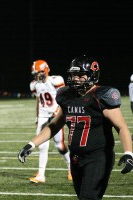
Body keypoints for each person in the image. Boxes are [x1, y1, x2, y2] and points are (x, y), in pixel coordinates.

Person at [18, 55, 133, 199]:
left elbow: (121, 127)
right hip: (76, 158)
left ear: (92, 75)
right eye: (73, 75)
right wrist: (31, 144)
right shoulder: (66, 96)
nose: (76, 79)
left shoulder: (101, 96)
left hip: (97, 158)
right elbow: (54, 125)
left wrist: (129, 153)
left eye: (80, 75)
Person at [29, 60, 71, 183]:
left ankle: (70, 167)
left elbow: (65, 97)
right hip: (43, 117)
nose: (37, 75)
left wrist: (58, 110)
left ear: (45, 70)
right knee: (42, 145)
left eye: (39, 72)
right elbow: (38, 101)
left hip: (55, 117)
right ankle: (41, 175)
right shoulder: (34, 84)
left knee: (60, 145)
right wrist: (37, 117)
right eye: (35, 73)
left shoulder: (55, 80)